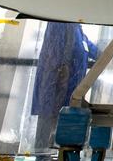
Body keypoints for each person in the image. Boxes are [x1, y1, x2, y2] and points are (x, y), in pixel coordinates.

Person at [32, 22, 98, 158]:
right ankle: (43, 157)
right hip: (56, 87)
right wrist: (60, 75)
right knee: (48, 125)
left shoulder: (76, 28)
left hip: (69, 90)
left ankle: (57, 156)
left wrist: (109, 56)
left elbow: (86, 46)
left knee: (59, 130)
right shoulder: (60, 23)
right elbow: (55, 53)